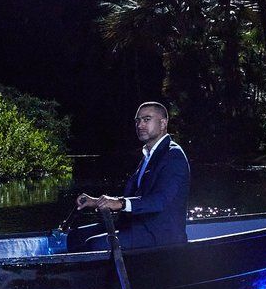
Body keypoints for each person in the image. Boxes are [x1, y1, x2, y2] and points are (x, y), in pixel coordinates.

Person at [66, 101, 189, 251]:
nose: (140, 125)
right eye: (138, 120)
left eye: (147, 119)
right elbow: (135, 196)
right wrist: (97, 202)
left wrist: (121, 203)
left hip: (161, 234)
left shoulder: (173, 155)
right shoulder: (148, 155)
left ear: (163, 123)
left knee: (95, 244)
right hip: (137, 226)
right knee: (76, 236)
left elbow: (160, 200)